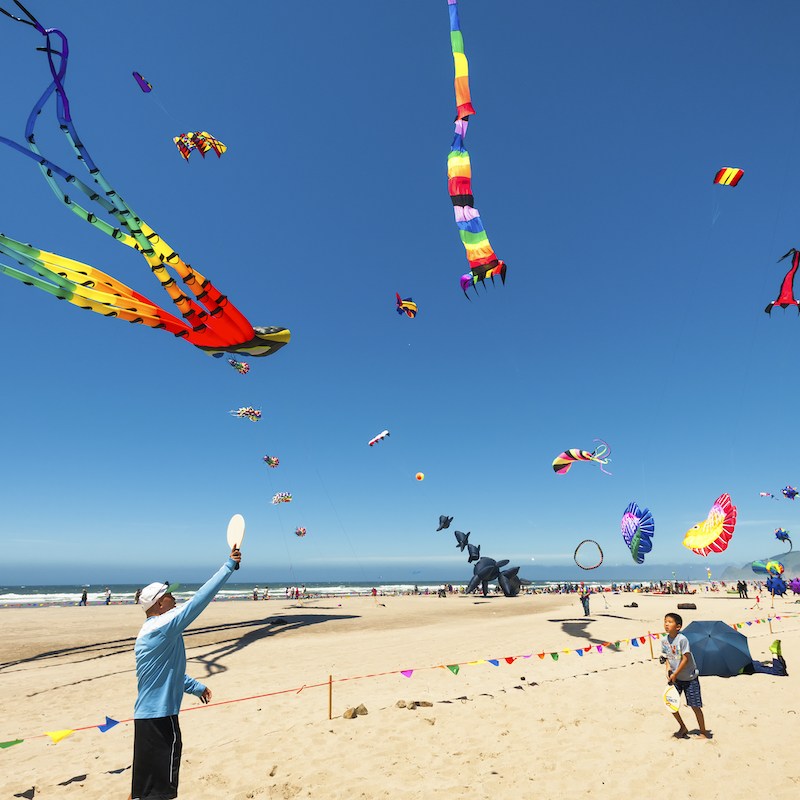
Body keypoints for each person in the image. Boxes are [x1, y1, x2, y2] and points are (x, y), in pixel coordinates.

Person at [129, 545, 241, 800]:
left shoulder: (150, 631)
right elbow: (198, 601)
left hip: (147, 719)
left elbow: (165, 674)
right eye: (169, 595)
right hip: (161, 719)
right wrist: (228, 567)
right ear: (159, 604)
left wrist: (196, 687)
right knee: (161, 792)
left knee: (145, 791)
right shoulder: (162, 626)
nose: (174, 598)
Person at [662, 612, 709, 739]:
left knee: (695, 706)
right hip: (675, 679)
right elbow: (666, 657)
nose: (666, 624)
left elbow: (685, 658)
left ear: (678, 626)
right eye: (665, 621)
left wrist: (676, 672)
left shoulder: (682, 639)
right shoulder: (664, 640)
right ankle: (682, 727)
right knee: (671, 704)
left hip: (689, 678)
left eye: (670, 622)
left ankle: (703, 731)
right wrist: (668, 671)